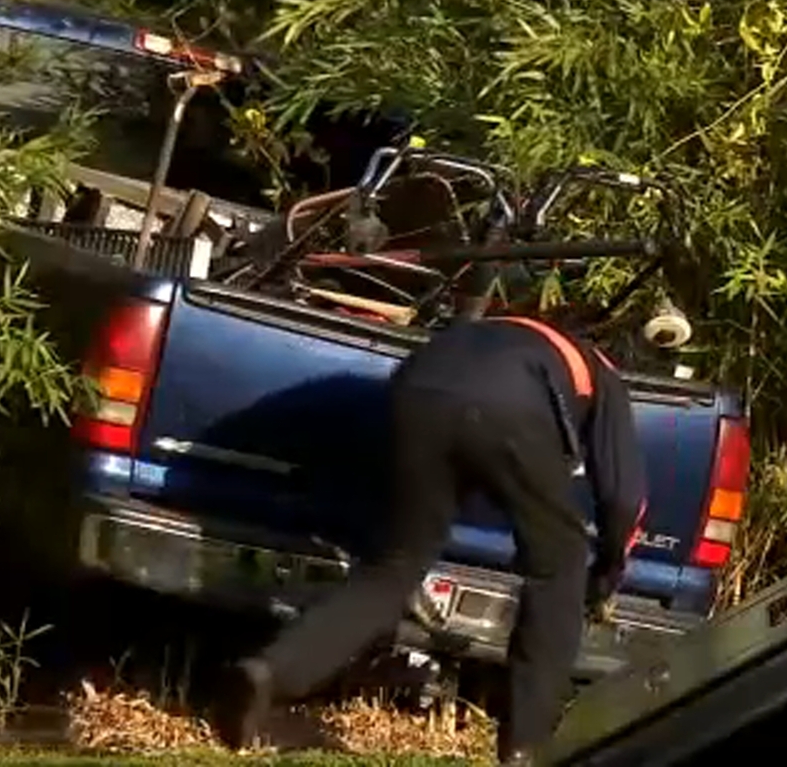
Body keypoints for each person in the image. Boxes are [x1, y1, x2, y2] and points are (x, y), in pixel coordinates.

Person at [213, 312, 648, 765]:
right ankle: (528, 745)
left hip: (414, 389)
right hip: (506, 405)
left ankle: (268, 675)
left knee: (395, 564)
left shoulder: (492, 330)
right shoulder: (600, 372)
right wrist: (607, 573)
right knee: (559, 565)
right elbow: (622, 498)